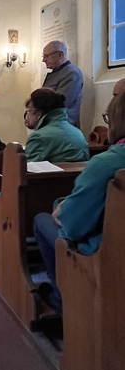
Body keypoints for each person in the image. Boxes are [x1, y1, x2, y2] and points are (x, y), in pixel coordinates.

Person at [33, 90, 125, 314]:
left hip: (107, 254)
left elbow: (73, 227)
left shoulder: (107, 163)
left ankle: (63, 297)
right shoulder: (75, 133)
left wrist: (62, 208)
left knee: (42, 220)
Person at [23, 88, 89, 163]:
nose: (27, 115)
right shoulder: (77, 132)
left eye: (29, 111)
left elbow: (27, 168)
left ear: (38, 114)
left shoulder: (38, 138)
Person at [42, 40, 83, 127]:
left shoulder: (71, 73)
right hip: (51, 123)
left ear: (60, 55)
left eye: (46, 56)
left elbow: (62, 102)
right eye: (43, 56)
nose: (43, 60)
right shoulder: (56, 72)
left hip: (63, 124)